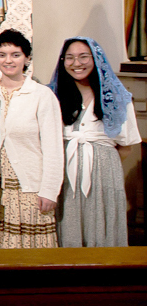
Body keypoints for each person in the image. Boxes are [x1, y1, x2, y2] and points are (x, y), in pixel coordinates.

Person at [49, 37, 142, 247]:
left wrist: (101, 164)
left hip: (104, 174)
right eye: (70, 58)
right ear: (63, 61)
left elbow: (126, 145)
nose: (77, 63)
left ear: (96, 59)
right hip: (64, 174)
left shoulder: (118, 97)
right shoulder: (52, 95)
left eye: (83, 57)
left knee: (101, 225)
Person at [0, 30, 63, 249]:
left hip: (30, 191)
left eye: (15, 55)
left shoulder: (41, 95)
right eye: (2, 54)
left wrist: (49, 190)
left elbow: (54, 148)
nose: (8, 60)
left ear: (26, 57)